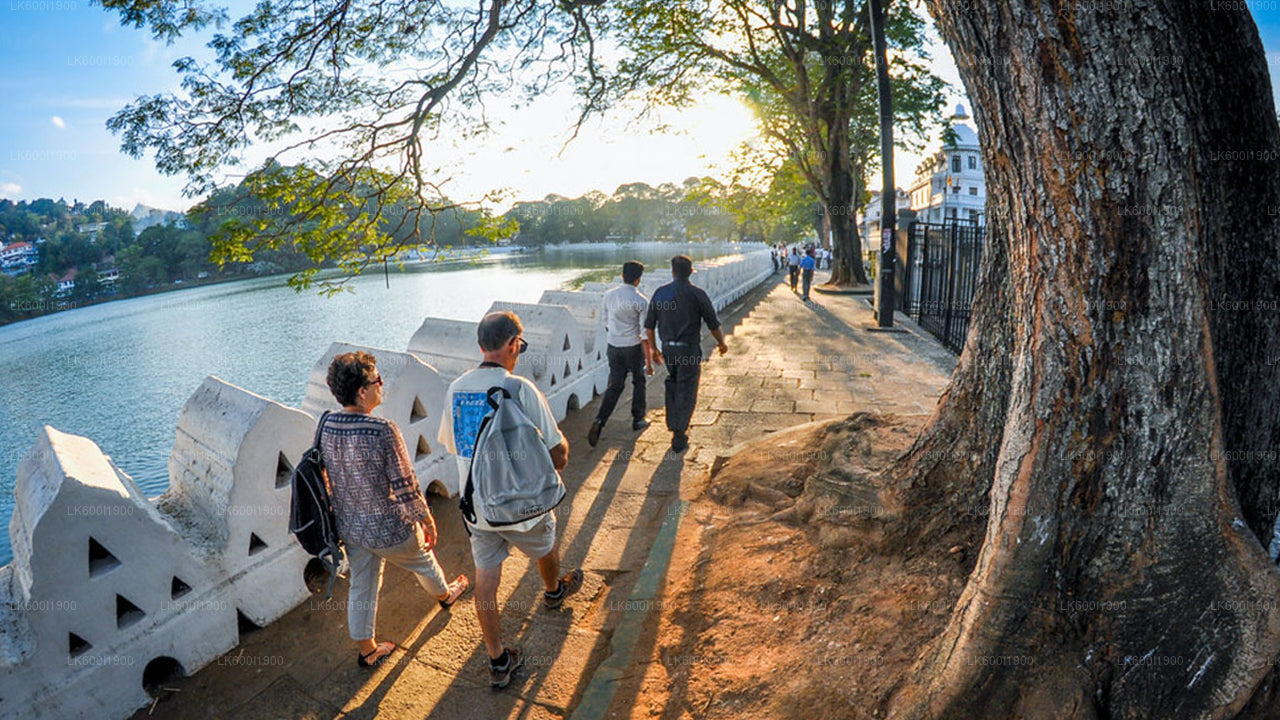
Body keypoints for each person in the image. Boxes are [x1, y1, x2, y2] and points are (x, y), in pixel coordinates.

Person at [438, 311, 584, 688]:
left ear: (480, 345)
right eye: (520, 344)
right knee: (546, 543)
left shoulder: (455, 389)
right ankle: (553, 592)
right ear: (512, 344)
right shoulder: (519, 388)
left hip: (478, 508)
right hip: (521, 507)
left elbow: (453, 445)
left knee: (486, 581)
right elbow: (559, 453)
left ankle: (498, 659)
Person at [320, 351, 471, 670]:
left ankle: (368, 650)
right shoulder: (382, 430)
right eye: (377, 380)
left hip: (352, 528)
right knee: (424, 561)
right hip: (391, 529)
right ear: (363, 392)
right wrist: (425, 519)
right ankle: (446, 595)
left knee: (362, 585)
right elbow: (405, 486)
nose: (382, 385)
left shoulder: (327, 424)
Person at [644, 255, 728, 454]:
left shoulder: (660, 293)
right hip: (688, 349)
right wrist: (721, 342)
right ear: (691, 272)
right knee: (687, 387)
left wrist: (654, 349)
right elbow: (712, 323)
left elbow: (649, 326)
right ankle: (679, 431)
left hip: (668, 349)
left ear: (672, 271)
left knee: (672, 383)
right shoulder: (697, 294)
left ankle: (673, 423)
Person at [589, 261, 652, 447]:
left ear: (622, 275)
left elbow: (606, 321)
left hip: (613, 347)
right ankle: (638, 418)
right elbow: (644, 334)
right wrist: (648, 361)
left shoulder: (608, 295)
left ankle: (600, 420)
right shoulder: (641, 301)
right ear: (638, 279)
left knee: (615, 386)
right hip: (632, 347)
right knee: (638, 381)